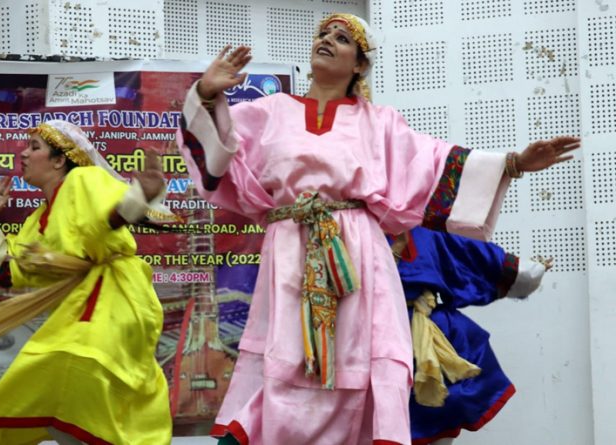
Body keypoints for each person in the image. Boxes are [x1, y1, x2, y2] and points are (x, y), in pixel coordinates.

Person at [175, 12, 579, 445]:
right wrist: (206, 91)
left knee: (354, 365)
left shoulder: (381, 123)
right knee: (284, 362)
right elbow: (217, 160)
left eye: (342, 37)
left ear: (359, 65)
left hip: (358, 259)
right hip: (290, 253)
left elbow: (435, 168)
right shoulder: (267, 112)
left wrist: (515, 164)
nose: (327, 39)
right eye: (322, 34)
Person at [0, 120, 173, 444]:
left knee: (72, 363)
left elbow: (112, 215)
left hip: (118, 300)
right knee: (51, 398)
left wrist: (140, 196)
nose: (23, 154)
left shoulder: (84, 179)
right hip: (83, 310)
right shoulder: (37, 219)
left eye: (34, 148)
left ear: (59, 160)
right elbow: (8, 274)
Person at [392, 227, 550, 445]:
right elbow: (472, 261)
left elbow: (471, 259)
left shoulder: (421, 236)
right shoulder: (417, 235)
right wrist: (527, 273)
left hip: (421, 335)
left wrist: (525, 271)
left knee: (439, 409)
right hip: (385, 336)